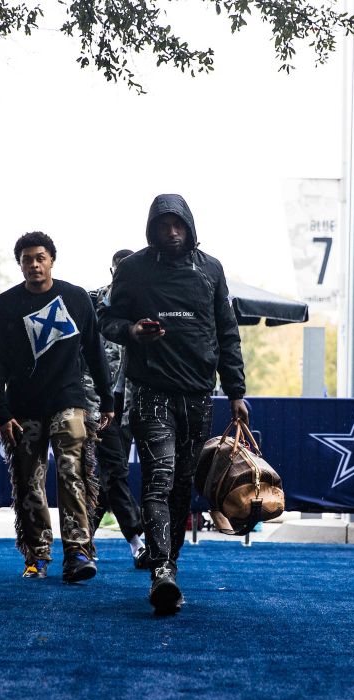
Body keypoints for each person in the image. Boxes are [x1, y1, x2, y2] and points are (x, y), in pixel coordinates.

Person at [100, 194, 248, 615]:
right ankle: (160, 568)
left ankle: (171, 565)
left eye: (177, 224)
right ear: (152, 228)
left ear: (189, 225)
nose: (172, 232)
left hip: (199, 393)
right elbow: (106, 321)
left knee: (183, 483)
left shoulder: (211, 270)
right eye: (164, 225)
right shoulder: (133, 270)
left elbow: (227, 332)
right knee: (159, 478)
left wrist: (236, 391)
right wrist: (132, 330)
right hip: (150, 392)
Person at [0, 231, 114, 583]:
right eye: (27, 259)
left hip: (69, 400)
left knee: (73, 472)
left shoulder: (75, 298)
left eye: (40, 257)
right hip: (23, 405)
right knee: (29, 480)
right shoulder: (5, 304)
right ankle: (37, 554)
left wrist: (107, 398)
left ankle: (78, 551)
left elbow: (94, 352)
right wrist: (1, 412)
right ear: (20, 264)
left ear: (52, 259)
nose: (34, 265)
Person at [84, 249, 149, 568]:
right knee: (116, 471)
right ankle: (137, 542)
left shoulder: (150, 304)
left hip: (138, 402)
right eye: (118, 270)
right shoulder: (95, 300)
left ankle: (82, 542)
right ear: (111, 272)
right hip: (102, 401)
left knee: (111, 475)